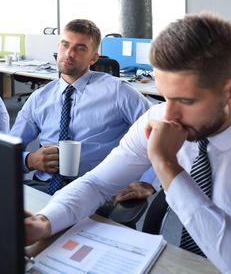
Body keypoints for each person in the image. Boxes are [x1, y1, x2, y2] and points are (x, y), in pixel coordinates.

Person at [25, 13, 231, 273]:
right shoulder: (161, 116)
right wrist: (45, 221)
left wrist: (167, 167)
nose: (168, 115)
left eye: (185, 100)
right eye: (166, 96)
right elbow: (97, 184)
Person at [10, 19, 155, 195]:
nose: (69, 53)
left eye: (80, 48)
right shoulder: (39, 98)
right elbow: (7, 151)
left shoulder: (118, 92)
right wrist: (29, 161)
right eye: (65, 45)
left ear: (93, 58)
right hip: (45, 186)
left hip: (97, 189)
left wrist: (148, 182)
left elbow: (158, 132)